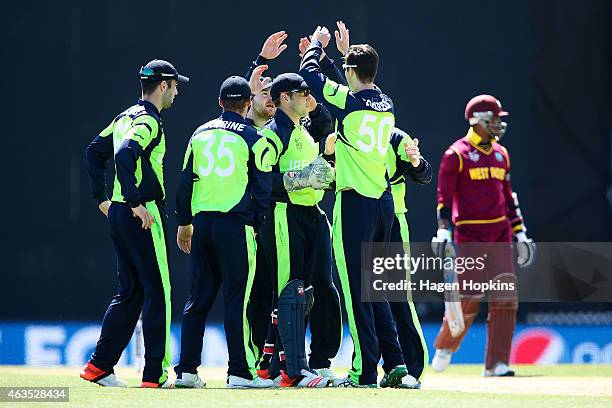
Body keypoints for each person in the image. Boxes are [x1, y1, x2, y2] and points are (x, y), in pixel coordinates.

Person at [299, 26, 416, 388]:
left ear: (351, 72)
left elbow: (310, 77)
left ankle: (364, 372)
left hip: (355, 204)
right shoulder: (386, 103)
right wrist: (343, 57)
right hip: (384, 204)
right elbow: (349, 90)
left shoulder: (348, 102)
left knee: (356, 292)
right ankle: (395, 364)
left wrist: (317, 46)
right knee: (375, 290)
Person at [82, 59, 188, 388]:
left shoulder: (124, 116)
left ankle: (99, 367)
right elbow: (126, 153)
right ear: (163, 85)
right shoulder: (148, 121)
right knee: (159, 292)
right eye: (174, 84)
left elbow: (93, 152)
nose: (177, 91)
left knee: (131, 292)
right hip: (140, 215)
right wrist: (135, 202)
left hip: (119, 212)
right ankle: (155, 374)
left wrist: (103, 198)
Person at [172, 75, 275, 389]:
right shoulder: (254, 136)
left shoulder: (200, 133)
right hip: (235, 227)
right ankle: (240, 373)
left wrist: (184, 223)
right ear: (247, 104)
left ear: (219, 102)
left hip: (202, 225)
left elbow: (184, 183)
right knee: (237, 301)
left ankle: (187, 371)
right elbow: (263, 190)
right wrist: (254, 225)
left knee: (197, 299)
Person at [431, 94, 536, 377]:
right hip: (470, 235)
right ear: (477, 121)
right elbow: (444, 196)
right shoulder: (457, 154)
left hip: (500, 233)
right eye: (494, 119)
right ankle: (445, 345)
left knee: (506, 298)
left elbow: (508, 197)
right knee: (469, 297)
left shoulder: (501, 154)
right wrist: (443, 229)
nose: (499, 125)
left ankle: (496, 363)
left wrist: (520, 232)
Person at [253, 73, 335, 388]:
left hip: (310, 214)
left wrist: (323, 173)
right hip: (284, 215)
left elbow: (319, 163)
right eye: (302, 92)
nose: (307, 96)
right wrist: (300, 178)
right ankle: (293, 372)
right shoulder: (274, 133)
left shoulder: (301, 130)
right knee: (292, 291)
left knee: (308, 292)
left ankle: (270, 365)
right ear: (285, 97)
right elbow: (259, 179)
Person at [386, 128, 432, 388]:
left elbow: (424, 174)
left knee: (398, 296)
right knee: (364, 300)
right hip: (359, 220)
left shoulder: (395, 137)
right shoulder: (348, 131)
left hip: (392, 220)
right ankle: (373, 367)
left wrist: (415, 160)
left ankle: (413, 367)